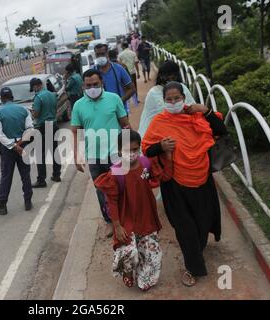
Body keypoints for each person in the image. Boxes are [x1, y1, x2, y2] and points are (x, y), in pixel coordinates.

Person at [141, 81, 228, 287]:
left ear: (184, 98)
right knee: (185, 226)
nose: (173, 102)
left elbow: (221, 130)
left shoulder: (196, 116)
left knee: (201, 221)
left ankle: (197, 248)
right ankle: (193, 267)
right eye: (169, 100)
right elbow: (146, 149)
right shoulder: (160, 121)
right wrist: (160, 146)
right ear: (163, 101)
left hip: (201, 179)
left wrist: (206, 111)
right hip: (173, 183)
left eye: (176, 98)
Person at [95, 130, 172, 291]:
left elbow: (161, 177)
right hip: (125, 217)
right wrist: (117, 225)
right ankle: (127, 271)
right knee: (128, 251)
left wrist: (168, 157)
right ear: (118, 151)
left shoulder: (146, 163)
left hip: (146, 215)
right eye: (126, 150)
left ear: (139, 148)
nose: (131, 154)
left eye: (135, 149)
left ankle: (146, 279)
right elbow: (112, 200)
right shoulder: (116, 171)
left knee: (151, 251)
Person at [71, 69, 131, 238]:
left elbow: (125, 125)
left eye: (95, 84)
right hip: (94, 157)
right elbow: (76, 132)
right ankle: (110, 221)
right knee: (101, 190)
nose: (92, 88)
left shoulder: (114, 99)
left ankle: (125, 216)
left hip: (116, 154)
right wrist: (77, 155)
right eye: (88, 85)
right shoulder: (78, 105)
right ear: (83, 86)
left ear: (102, 83)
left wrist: (131, 151)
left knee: (122, 185)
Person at [0, 87, 34, 215]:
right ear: (12, 97)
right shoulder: (24, 110)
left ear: (1, 99)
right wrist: (19, 144)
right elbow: (30, 129)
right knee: (25, 175)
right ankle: (28, 202)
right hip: (23, 146)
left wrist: (13, 146)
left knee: (6, 177)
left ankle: (2, 205)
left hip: (7, 149)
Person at [138, 60, 196, 137]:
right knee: (123, 133)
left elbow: (191, 109)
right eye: (167, 75)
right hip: (159, 133)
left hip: (181, 131)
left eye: (173, 75)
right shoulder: (153, 93)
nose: (170, 78)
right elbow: (150, 118)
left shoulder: (183, 88)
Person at [30, 77, 61, 188]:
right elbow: (55, 109)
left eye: (33, 88)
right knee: (55, 151)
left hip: (43, 126)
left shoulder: (38, 97)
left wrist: (32, 112)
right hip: (54, 124)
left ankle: (41, 180)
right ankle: (56, 175)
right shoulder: (52, 95)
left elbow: (36, 114)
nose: (34, 90)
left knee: (40, 154)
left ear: (37, 86)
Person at [93, 43, 134, 113]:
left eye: (102, 54)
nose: (100, 57)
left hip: (120, 111)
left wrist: (120, 101)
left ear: (107, 54)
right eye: (98, 55)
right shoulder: (92, 72)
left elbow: (132, 89)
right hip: (101, 113)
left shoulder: (119, 69)